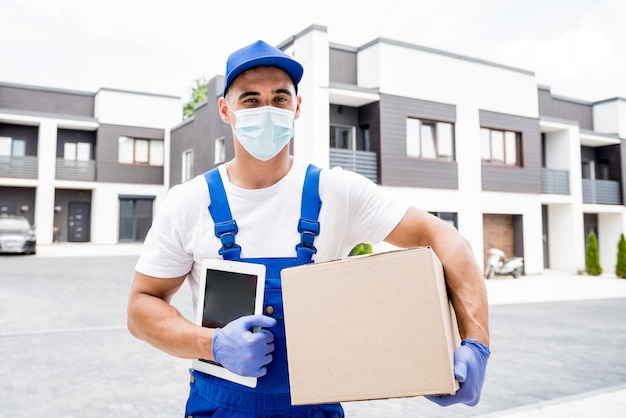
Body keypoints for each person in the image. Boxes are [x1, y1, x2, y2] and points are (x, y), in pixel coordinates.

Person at [127, 39, 490, 417]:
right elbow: (141, 306)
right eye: (250, 99)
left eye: (279, 98)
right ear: (225, 109)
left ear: (297, 107)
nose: (266, 110)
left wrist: (477, 344)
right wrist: (211, 344)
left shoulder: (338, 192)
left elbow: (447, 239)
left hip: (313, 408)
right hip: (220, 407)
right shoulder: (188, 201)